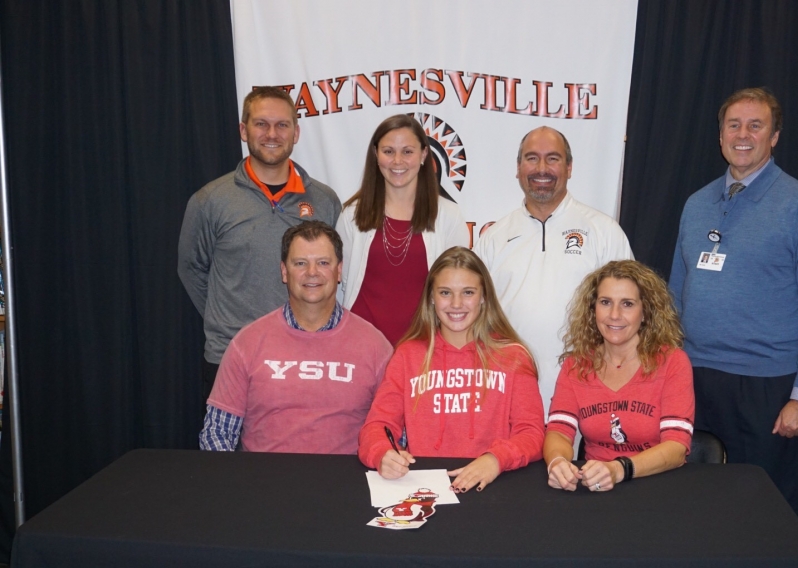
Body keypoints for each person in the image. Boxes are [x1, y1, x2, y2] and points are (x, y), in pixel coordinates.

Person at [668, 88, 798, 513]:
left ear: (774, 136)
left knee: (764, 515)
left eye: (755, 125)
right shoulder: (696, 204)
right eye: (733, 125)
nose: (742, 135)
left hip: (766, 388)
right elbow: (673, 293)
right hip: (694, 380)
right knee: (695, 509)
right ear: (720, 134)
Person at [178, 87, 342, 412]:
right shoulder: (210, 200)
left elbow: (334, 274)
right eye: (261, 124)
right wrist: (228, 320)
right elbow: (191, 269)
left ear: (296, 132)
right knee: (229, 459)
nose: (271, 134)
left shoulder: (325, 201)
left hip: (305, 358)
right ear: (243, 130)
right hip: (230, 358)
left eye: (282, 125)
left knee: (299, 457)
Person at [474, 126, 633, 417]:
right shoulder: (494, 237)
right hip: (508, 389)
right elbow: (476, 316)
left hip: (587, 389)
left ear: (569, 167)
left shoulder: (603, 231)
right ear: (519, 168)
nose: (542, 168)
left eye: (553, 159)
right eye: (532, 159)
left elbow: (631, 314)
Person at [358, 247, 545, 493]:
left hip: (493, 485)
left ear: (483, 297)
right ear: (431, 297)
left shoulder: (513, 356)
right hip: (425, 489)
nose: (456, 304)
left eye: (468, 292)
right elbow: (377, 426)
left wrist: (496, 459)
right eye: (445, 292)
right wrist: (382, 453)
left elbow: (531, 432)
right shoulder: (408, 355)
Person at [199, 221, 393, 453]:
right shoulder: (247, 344)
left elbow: (392, 431)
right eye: (300, 263)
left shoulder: (375, 345)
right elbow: (217, 432)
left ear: (339, 270)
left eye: (323, 263)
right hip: (264, 483)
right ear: (284, 271)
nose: (312, 272)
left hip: (345, 483)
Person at [544, 261, 694, 492]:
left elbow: (677, 447)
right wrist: (558, 463)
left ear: (646, 312)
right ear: (593, 309)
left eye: (627, 304)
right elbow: (558, 432)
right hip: (595, 485)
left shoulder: (673, 362)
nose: (614, 315)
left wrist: (618, 469)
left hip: (657, 485)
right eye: (605, 302)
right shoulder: (576, 364)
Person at [337, 114, 470, 346]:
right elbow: (341, 284)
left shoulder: (448, 215)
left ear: (424, 155)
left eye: (407, 151)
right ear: (376, 155)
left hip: (424, 347)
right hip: (360, 346)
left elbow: (456, 289)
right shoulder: (351, 215)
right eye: (388, 151)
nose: (397, 161)